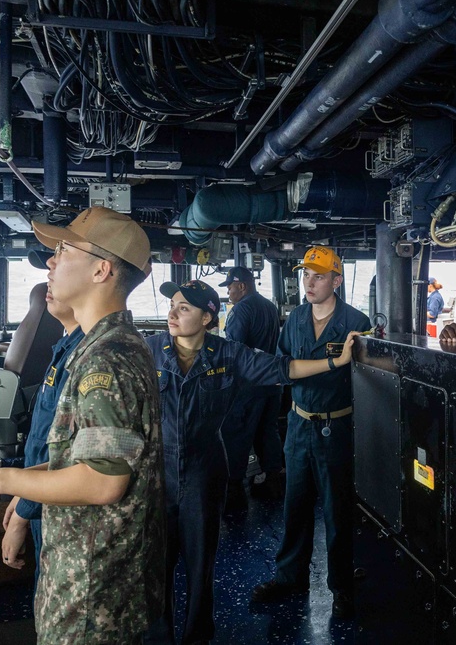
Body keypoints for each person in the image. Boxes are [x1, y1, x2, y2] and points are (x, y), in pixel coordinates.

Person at [0, 207, 165, 645]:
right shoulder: (96, 347)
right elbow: (78, 461)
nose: (51, 262)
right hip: (84, 572)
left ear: (101, 270)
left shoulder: (108, 358)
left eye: (63, 250)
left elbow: (103, 482)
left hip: (94, 586)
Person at [146, 279, 361, 644]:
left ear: (208, 317)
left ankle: (197, 636)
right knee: (154, 566)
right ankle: (158, 638)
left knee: (201, 565)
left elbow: (283, 368)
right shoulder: (148, 349)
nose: (172, 314)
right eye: (173, 306)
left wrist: (334, 361)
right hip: (155, 470)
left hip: (203, 470)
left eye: (184, 308)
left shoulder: (227, 354)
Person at [250, 246, 371, 620]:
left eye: (318, 276)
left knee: (338, 511)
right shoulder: (296, 318)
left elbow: (368, 381)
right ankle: (290, 577)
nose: (309, 283)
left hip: (338, 425)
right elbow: (284, 364)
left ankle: (341, 587)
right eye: (306, 275)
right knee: (295, 505)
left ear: (336, 280)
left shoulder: (356, 323)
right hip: (300, 425)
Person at [0, 251, 84, 587]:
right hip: (44, 500)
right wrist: (17, 485)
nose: (50, 267)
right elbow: (47, 443)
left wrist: (19, 503)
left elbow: (78, 464)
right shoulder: (63, 347)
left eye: (63, 257)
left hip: (63, 513)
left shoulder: (90, 357)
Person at [217, 265, 284, 510]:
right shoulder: (268, 306)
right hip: (272, 381)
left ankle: (234, 491)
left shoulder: (241, 310)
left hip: (248, 385)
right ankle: (273, 481)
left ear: (242, 286)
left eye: (230, 287)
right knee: (268, 431)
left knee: (237, 434)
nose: (229, 293)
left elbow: (233, 350)